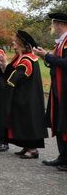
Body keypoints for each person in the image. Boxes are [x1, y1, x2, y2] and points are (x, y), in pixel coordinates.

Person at [0, 30, 46, 159]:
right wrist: (4, 65)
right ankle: (26, 146)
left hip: (27, 97)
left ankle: (32, 149)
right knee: (21, 121)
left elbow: (17, 76)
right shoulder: (20, 56)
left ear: (21, 43)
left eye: (15, 41)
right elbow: (11, 71)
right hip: (23, 94)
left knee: (28, 121)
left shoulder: (27, 59)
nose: (13, 42)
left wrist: (6, 86)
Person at [34, 12, 67, 171]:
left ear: (60, 24)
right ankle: (63, 157)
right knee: (59, 123)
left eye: (54, 24)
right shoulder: (61, 42)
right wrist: (44, 57)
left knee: (64, 123)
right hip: (58, 88)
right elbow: (55, 64)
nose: (53, 27)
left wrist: (47, 56)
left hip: (65, 89)